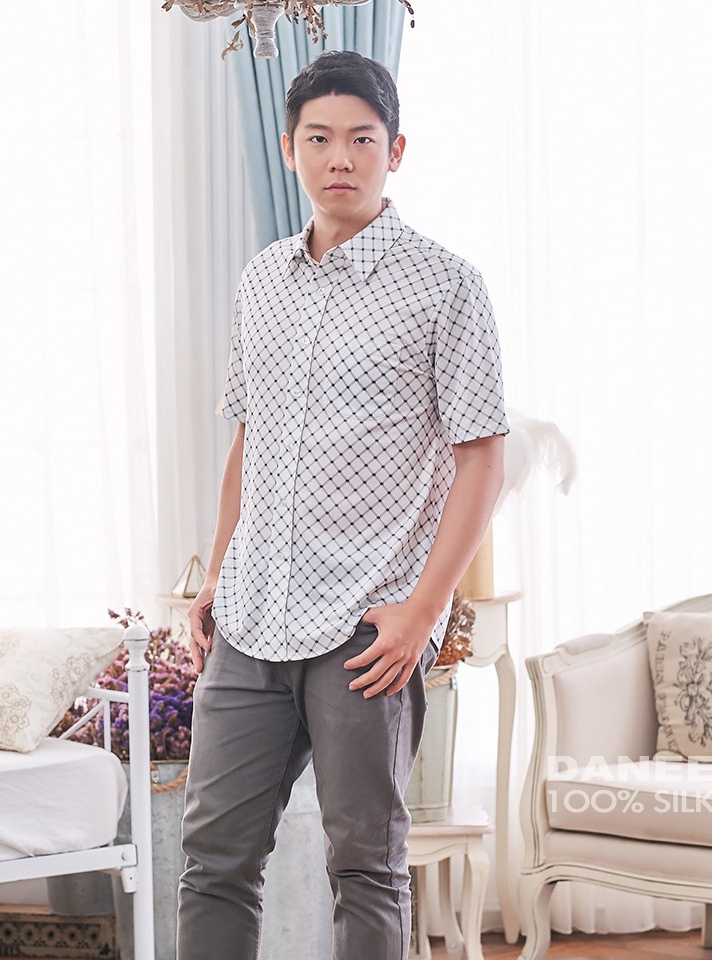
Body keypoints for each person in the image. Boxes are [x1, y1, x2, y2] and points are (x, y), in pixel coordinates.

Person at [177, 49, 508, 960]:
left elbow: (482, 459)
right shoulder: (261, 280)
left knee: (365, 865)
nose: (340, 158)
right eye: (319, 139)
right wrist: (216, 572)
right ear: (289, 149)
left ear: (395, 151)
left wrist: (423, 611)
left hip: (369, 625)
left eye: (362, 140)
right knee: (213, 860)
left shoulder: (446, 285)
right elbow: (250, 440)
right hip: (250, 616)